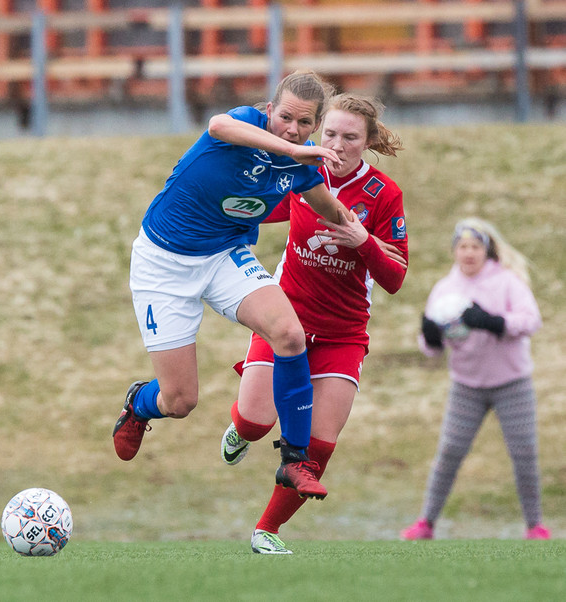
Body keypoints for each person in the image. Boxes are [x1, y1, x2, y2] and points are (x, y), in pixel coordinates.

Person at [113, 70, 355, 501]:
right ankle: (139, 404)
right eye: (285, 117)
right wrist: (292, 150)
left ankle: (295, 460)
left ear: (316, 125)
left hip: (225, 255)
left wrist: (370, 241)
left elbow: (333, 211)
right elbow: (216, 125)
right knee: (180, 401)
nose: (292, 129)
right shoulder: (244, 123)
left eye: (304, 123)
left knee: (289, 334)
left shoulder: (302, 167)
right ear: (269, 110)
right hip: (163, 264)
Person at [219, 93, 408, 554]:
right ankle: (241, 429)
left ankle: (267, 531)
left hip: (343, 334)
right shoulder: (302, 171)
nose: (338, 145)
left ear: (368, 142)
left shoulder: (383, 195)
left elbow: (395, 278)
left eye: (351, 138)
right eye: (331, 134)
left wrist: (364, 242)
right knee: (255, 422)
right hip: (286, 319)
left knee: (318, 444)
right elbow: (258, 206)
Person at [400, 218, 549, 541]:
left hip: (512, 383)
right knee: (449, 452)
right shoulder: (445, 289)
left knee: (524, 454)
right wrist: (430, 336)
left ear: (487, 250)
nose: (469, 253)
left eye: (476, 246)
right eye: (463, 246)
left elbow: (531, 320)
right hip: (466, 386)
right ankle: (426, 523)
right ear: (454, 251)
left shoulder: (507, 282)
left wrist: (495, 322)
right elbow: (431, 349)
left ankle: (535, 526)